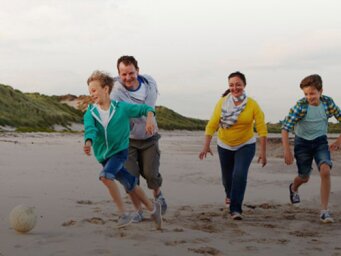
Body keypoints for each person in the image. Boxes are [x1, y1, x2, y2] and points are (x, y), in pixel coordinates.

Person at [83, 70, 162, 229]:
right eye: (89, 91)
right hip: (103, 156)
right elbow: (90, 129)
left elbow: (145, 109)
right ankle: (153, 209)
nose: (91, 94)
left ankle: (123, 214)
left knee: (106, 177)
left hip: (119, 152)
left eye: (94, 90)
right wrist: (89, 142)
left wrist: (149, 118)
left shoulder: (121, 108)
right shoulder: (90, 113)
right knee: (130, 183)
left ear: (105, 89)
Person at [199, 71, 267, 220]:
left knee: (239, 175)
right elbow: (212, 125)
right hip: (224, 145)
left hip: (246, 144)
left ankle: (235, 209)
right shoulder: (222, 102)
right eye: (231, 85)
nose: (235, 88)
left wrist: (263, 152)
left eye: (238, 84)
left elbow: (262, 129)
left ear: (244, 85)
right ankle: (229, 195)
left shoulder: (252, 104)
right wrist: (206, 145)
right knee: (227, 178)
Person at [110, 55, 167, 223]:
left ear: (138, 71)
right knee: (130, 178)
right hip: (127, 140)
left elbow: (149, 105)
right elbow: (114, 110)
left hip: (149, 137)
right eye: (123, 74)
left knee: (150, 173)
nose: (128, 78)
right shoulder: (115, 90)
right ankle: (138, 210)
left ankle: (158, 195)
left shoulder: (149, 84)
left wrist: (149, 117)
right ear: (119, 74)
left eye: (131, 73)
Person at [281, 74, 341, 223]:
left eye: (312, 93)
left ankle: (324, 211)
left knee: (325, 171)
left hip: (320, 141)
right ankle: (294, 188)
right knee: (304, 177)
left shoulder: (328, 103)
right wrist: (287, 151)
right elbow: (285, 128)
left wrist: (339, 140)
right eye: (306, 94)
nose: (309, 97)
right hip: (302, 144)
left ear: (321, 91)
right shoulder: (300, 106)